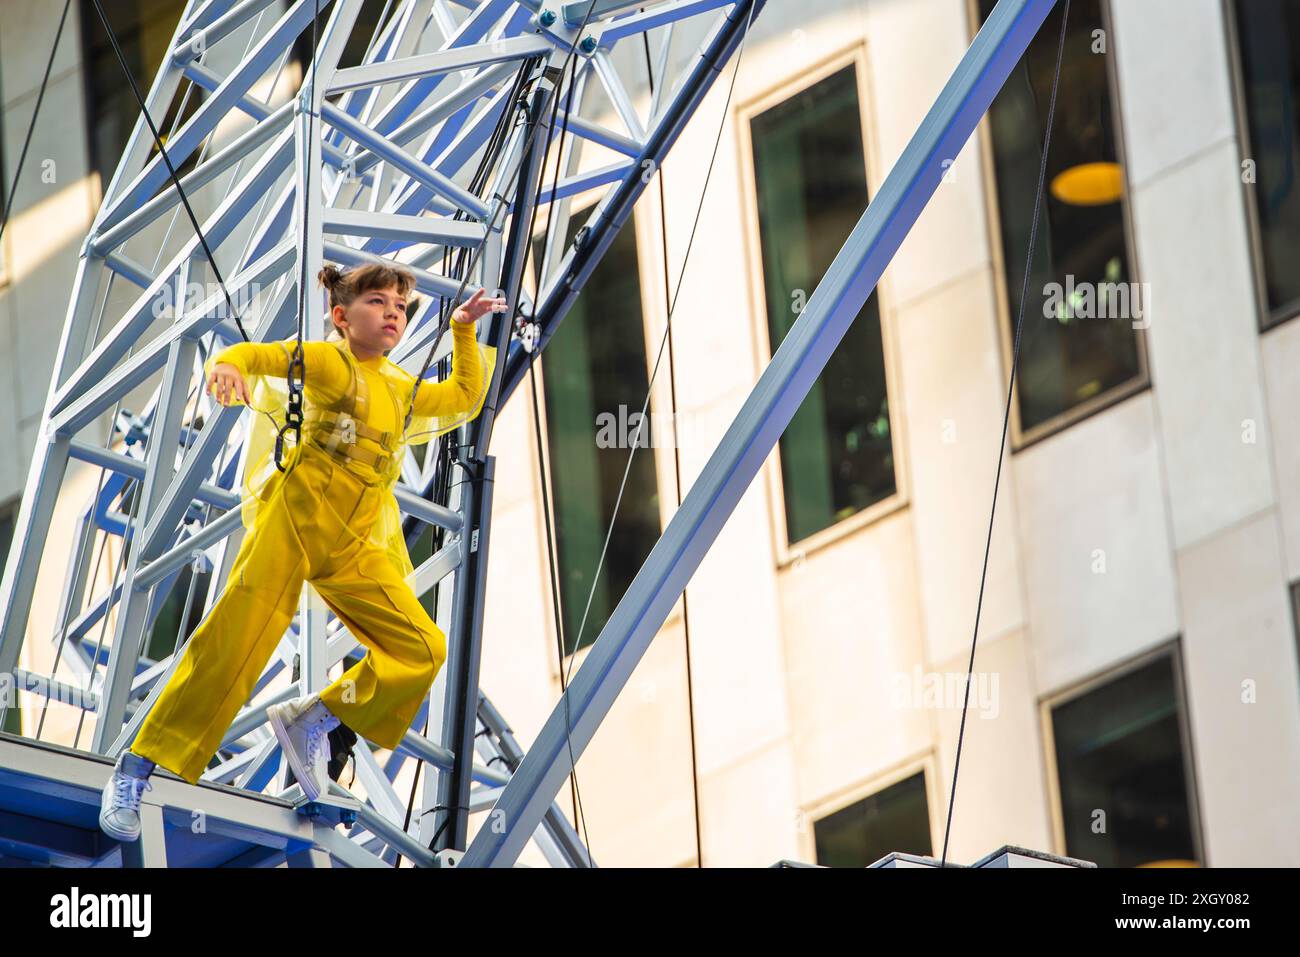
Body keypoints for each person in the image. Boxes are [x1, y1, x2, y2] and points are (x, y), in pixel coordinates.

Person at [99, 261, 506, 842]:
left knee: (422, 647)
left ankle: (317, 717)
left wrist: (463, 330)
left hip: (353, 543)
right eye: (378, 302)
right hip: (294, 521)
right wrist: (225, 368)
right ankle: (135, 769)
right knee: (234, 641)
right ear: (341, 317)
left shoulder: (400, 387)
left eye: (400, 305)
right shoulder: (327, 360)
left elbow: (464, 396)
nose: (393, 312)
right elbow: (256, 357)